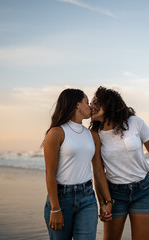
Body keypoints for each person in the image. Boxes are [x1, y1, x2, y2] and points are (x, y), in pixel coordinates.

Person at [90, 86, 149, 240]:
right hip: (115, 194)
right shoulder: (95, 135)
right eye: (91, 103)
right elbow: (98, 172)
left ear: (109, 105)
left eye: (96, 103)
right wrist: (104, 202)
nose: (92, 107)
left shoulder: (135, 122)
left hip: (142, 190)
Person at [42, 88, 113, 240]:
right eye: (87, 102)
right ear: (77, 105)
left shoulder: (92, 135)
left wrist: (107, 201)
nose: (90, 107)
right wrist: (55, 209)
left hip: (87, 197)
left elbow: (99, 171)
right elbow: (50, 173)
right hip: (61, 198)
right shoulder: (56, 133)